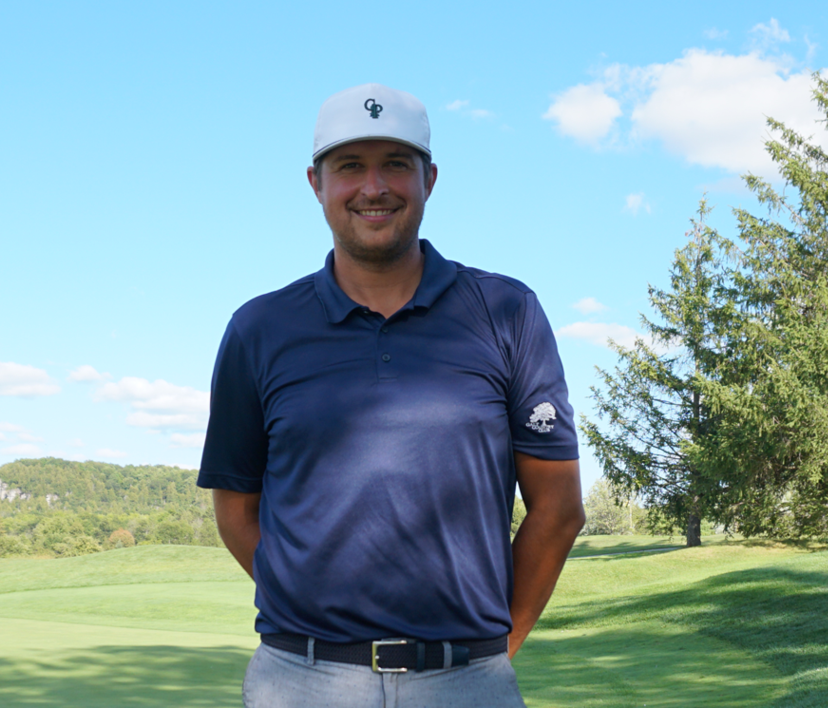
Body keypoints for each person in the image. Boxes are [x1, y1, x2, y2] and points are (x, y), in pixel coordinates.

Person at [197, 83, 585, 707]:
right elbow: (236, 511)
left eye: (396, 165)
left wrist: (491, 650)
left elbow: (559, 508)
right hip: (300, 682)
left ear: (429, 179)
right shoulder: (259, 330)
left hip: (466, 681)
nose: (373, 187)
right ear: (315, 182)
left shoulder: (508, 311)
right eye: (349, 166)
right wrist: (310, 611)